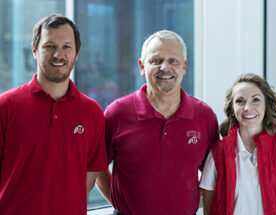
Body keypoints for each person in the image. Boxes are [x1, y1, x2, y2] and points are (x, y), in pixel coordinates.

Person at [96, 30, 219, 215]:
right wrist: (121, 205)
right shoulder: (117, 113)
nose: (165, 68)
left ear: (184, 67)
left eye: (173, 61)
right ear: (142, 66)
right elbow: (97, 167)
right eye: (156, 61)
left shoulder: (205, 117)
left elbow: (213, 174)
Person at [0, 14, 108, 215]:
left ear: (76, 54)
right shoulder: (5, 106)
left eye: (66, 47)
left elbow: (90, 177)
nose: (58, 54)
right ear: (34, 51)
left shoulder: (92, 111)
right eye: (49, 46)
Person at [200, 73, 276, 215]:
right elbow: (209, 210)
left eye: (256, 100)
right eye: (240, 101)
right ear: (233, 109)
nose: (247, 107)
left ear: (266, 105)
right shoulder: (218, 152)